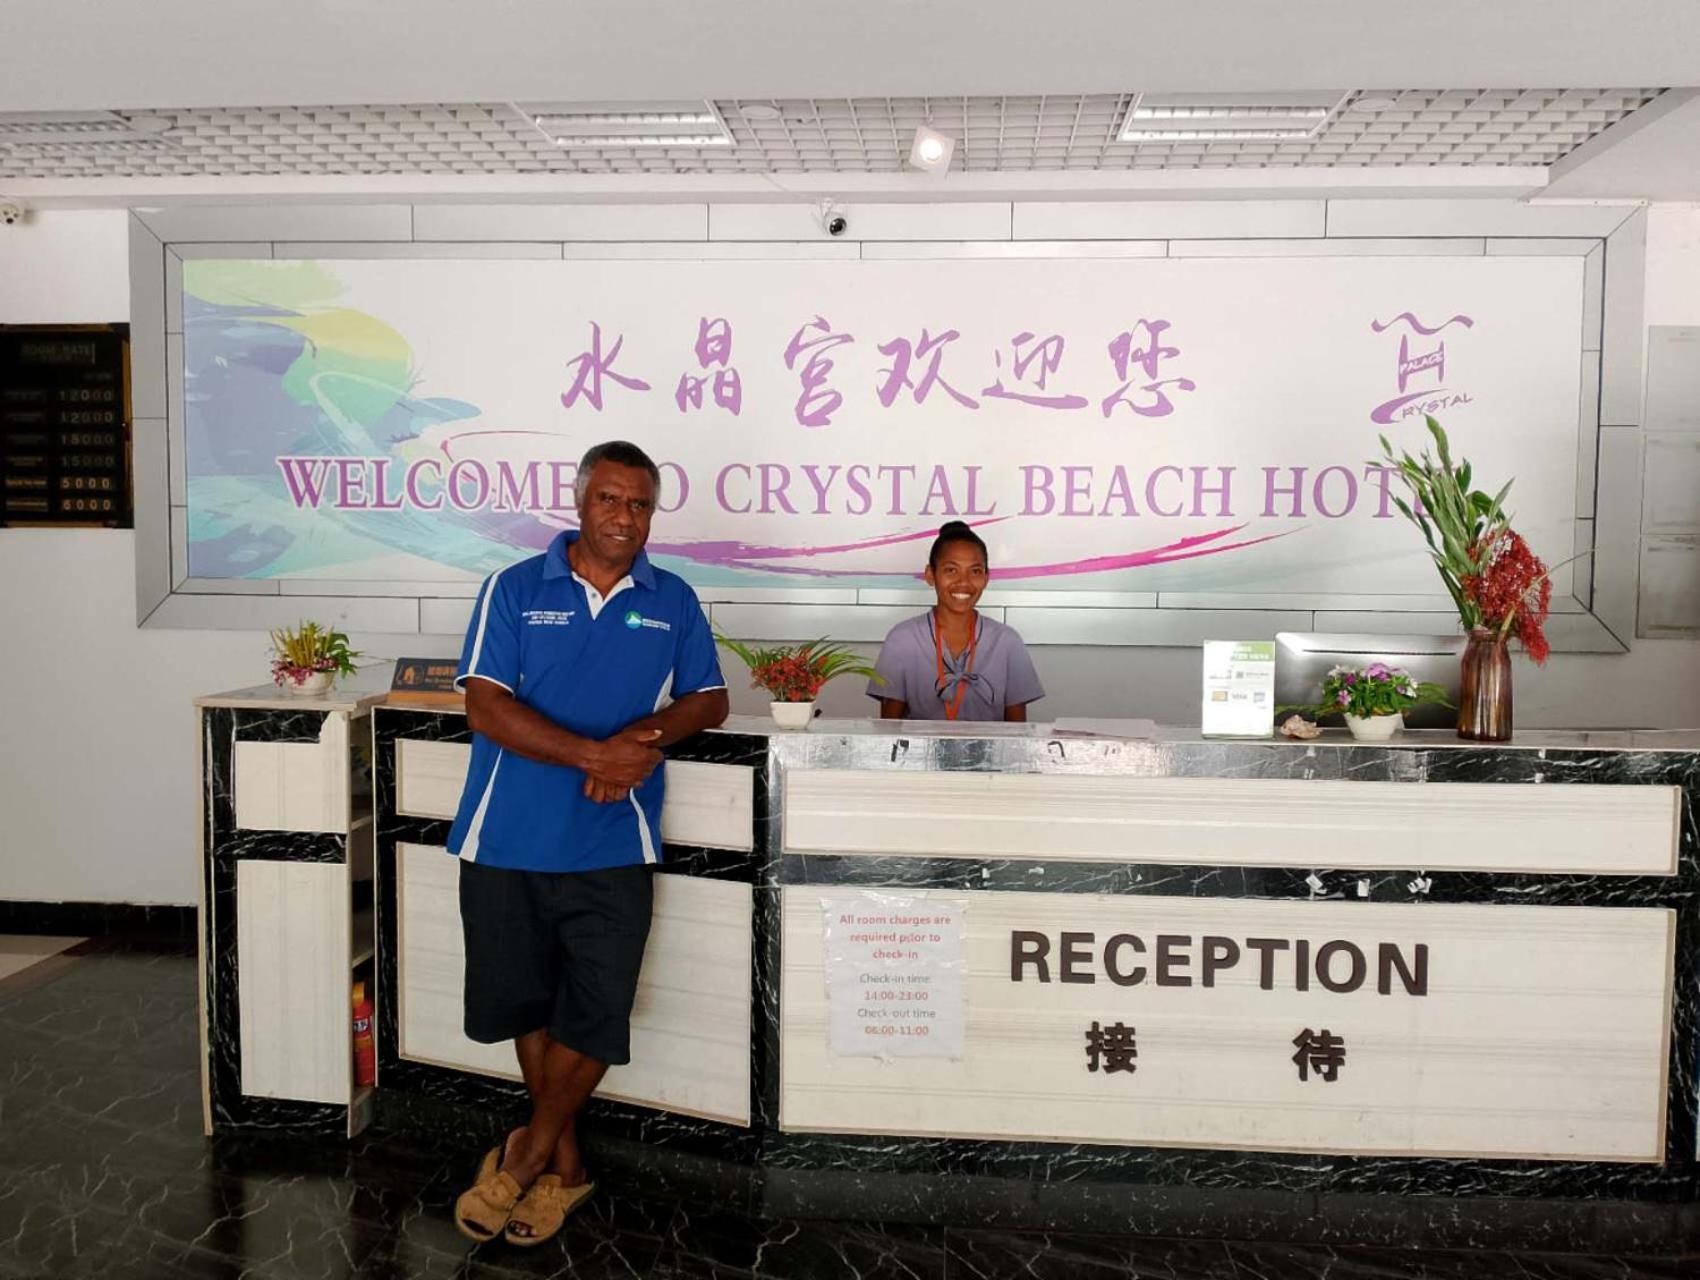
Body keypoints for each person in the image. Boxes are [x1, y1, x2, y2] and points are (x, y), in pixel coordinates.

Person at [446, 440, 729, 1247]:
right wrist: (592, 757)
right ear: (579, 502)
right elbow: (485, 706)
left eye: (639, 504)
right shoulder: (513, 587)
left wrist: (641, 738)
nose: (624, 516)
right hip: (507, 836)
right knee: (529, 1004)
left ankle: (525, 1154)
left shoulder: (672, 599)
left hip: (613, 842)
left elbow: (709, 698)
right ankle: (565, 1168)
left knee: (597, 1011)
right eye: (609, 498)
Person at [868, 521, 1045, 722]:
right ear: (930, 575)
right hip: (919, 745)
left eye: (975, 571)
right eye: (951, 570)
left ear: (986, 578)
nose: (964, 582)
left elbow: (1018, 732)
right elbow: (888, 729)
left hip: (990, 746)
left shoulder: (1007, 641)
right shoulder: (902, 639)